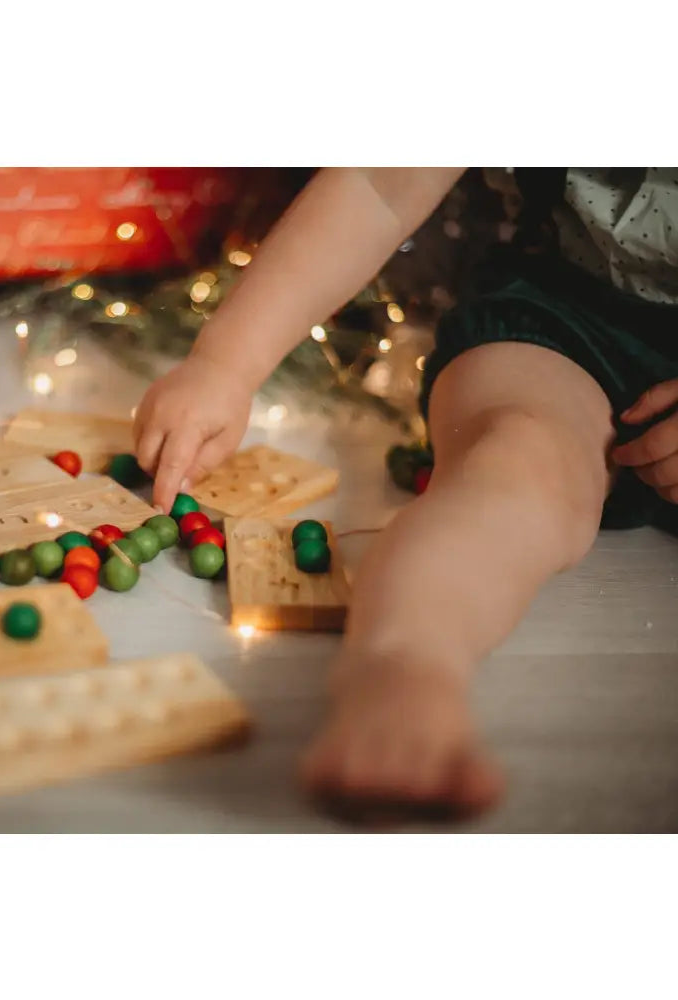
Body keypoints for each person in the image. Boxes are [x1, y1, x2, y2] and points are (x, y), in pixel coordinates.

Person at [132, 167, 678, 818]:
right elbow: (380, 185)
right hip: (567, 321)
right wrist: (226, 362)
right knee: (512, 457)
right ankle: (405, 661)